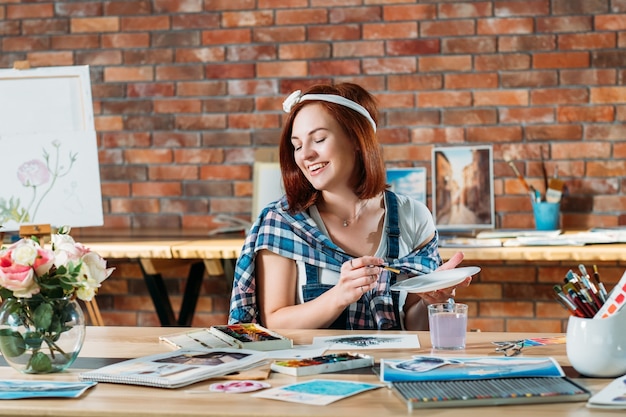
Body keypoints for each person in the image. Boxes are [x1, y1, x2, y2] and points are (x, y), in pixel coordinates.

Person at [228, 82, 472, 331]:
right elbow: (274, 322)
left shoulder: (414, 216)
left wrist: (434, 301)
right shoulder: (282, 222)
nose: (305, 155)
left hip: (390, 367)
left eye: (319, 139)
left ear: (357, 139)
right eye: (297, 145)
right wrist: (340, 295)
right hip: (314, 369)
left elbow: (414, 327)